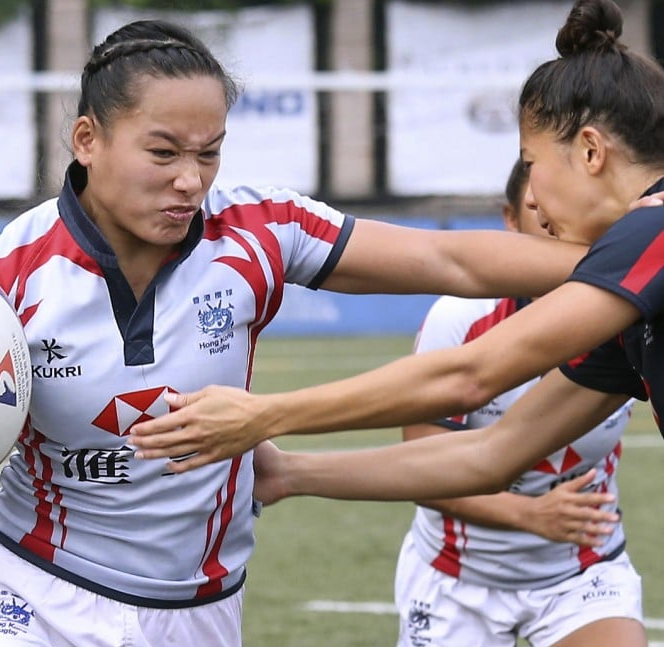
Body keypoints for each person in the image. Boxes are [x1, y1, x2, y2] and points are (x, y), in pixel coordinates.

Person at [0, 19, 598, 647]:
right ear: (88, 140)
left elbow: (450, 261)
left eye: (210, 153)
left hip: (196, 615)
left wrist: (628, 263)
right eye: (164, 153)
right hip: (32, 591)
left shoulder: (262, 231)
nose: (190, 181)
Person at [126, 0, 664, 486]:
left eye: (531, 164)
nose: (532, 200)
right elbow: (493, 454)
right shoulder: (632, 286)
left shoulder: (653, 230)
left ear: (590, 151)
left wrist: (264, 414)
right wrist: (289, 473)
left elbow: (470, 375)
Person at [388, 157, 650, 647]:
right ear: (512, 219)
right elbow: (421, 466)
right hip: (459, 573)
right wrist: (529, 515)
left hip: (583, 569)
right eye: (539, 212)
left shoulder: (631, 312)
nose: (557, 227)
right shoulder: (459, 319)